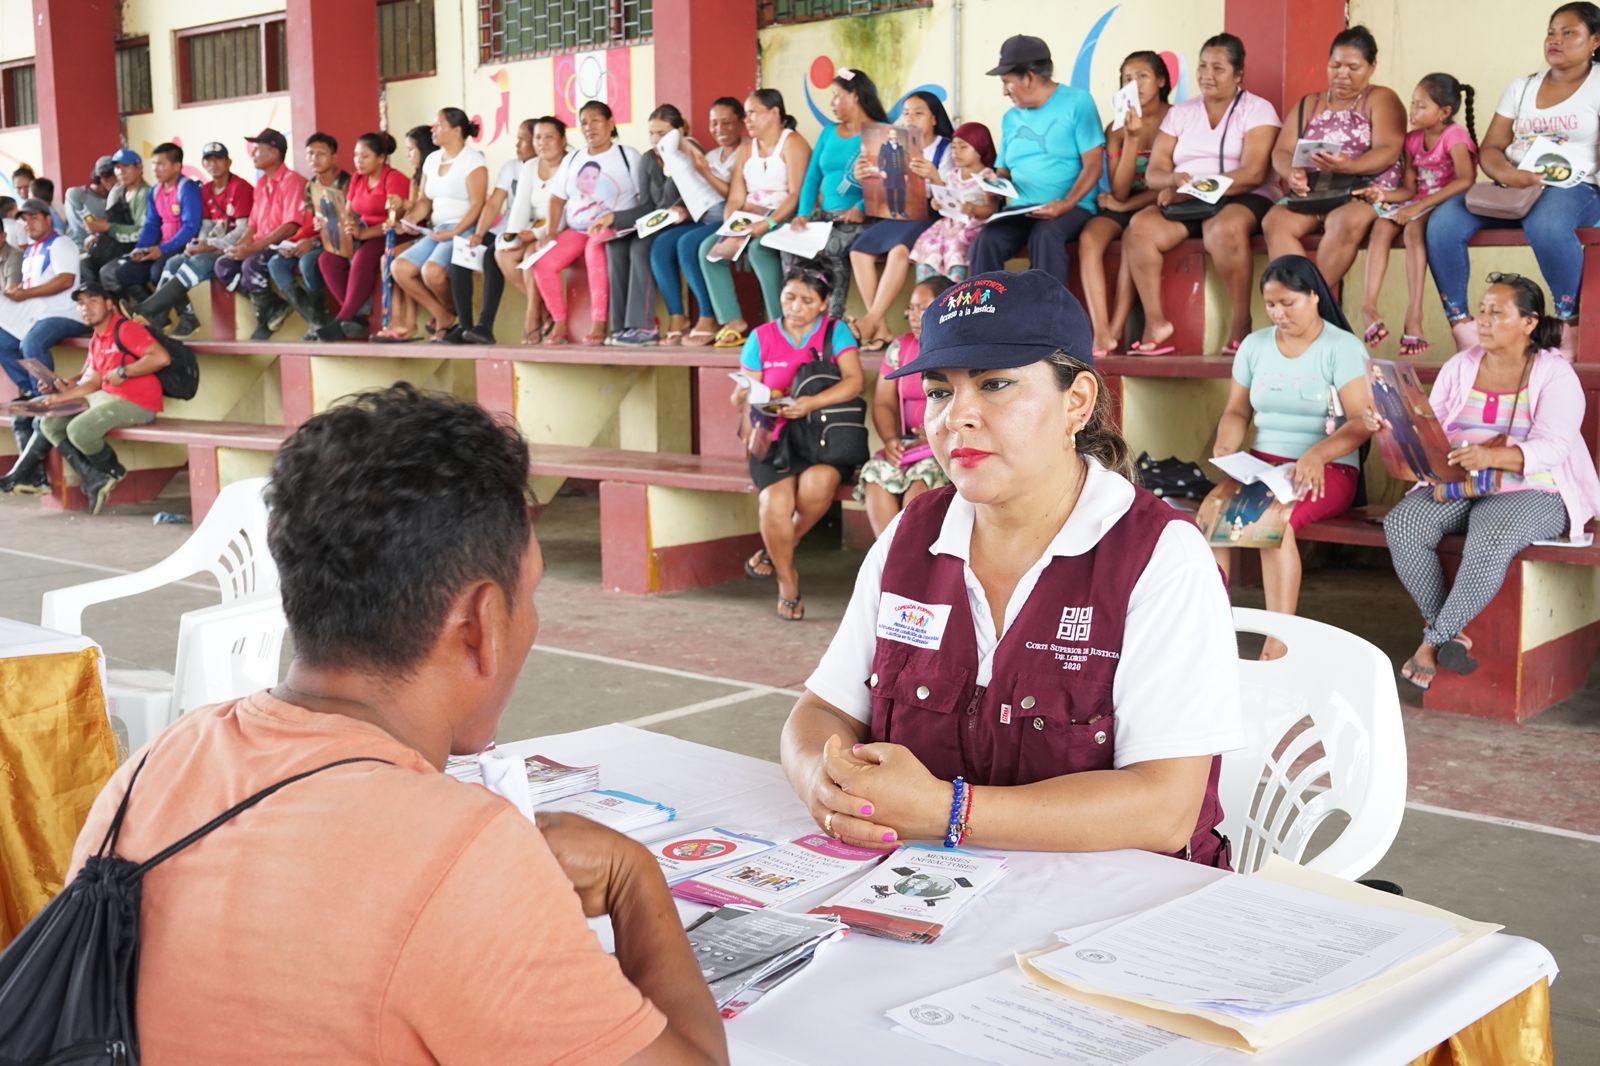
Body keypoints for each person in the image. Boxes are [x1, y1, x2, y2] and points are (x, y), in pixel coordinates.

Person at [61, 384, 730, 1066]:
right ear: (478, 624)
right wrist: (633, 880)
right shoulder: (462, 853)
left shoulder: (154, 765)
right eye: (530, 597)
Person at [779, 269, 1242, 862]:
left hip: (1115, 916)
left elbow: (1165, 810)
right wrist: (821, 782)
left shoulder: (1160, 558)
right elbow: (821, 711)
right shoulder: (912, 535)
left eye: (995, 385)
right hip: (938, 893)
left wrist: (950, 812)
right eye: (940, 390)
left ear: (1077, 401)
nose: (955, 417)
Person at [1374, 274, 1600, 690]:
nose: (1483, 320)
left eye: (1498, 312)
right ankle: (1449, 632)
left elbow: (1553, 448)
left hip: (1535, 487)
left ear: (1529, 323)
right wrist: (1395, 426)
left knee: (1491, 533)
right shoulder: (1461, 365)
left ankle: (1431, 642)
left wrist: (1493, 456)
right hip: (1460, 480)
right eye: (1482, 310)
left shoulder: (1555, 375)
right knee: (1404, 524)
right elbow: (1434, 428)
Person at [1211, 256, 1376, 659]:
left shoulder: (1342, 347)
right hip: (1263, 463)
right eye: (1270, 305)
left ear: (1315, 297)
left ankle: (1279, 639)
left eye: (1288, 303)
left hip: (1327, 466)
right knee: (1213, 513)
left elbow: (1361, 422)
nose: (1278, 314)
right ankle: (1212, 628)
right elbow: (1237, 410)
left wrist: (1318, 454)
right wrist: (1226, 445)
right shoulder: (1254, 345)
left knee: (1275, 523)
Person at [1427, 3, 1600, 359]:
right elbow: (1491, 147)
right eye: (1552, 32)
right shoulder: (1522, 87)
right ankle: (1463, 326)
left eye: (1570, 33)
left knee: (1548, 224)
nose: (1556, 40)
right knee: (1443, 222)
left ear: (1595, 41)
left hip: (1576, 188)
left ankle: (1568, 325)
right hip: (1515, 187)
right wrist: (1511, 175)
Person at [1126, 33, 1281, 355]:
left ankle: (1241, 323)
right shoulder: (1181, 112)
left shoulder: (1257, 110)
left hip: (1242, 195)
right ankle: (1156, 323)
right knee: (1140, 228)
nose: (1207, 75)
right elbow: (1154, 171)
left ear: (1238, 75)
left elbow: (1253, 173)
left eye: (1218, 68)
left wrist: (1191, 190)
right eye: (1202, 66)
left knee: (1222, 229)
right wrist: (1171, 180)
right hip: (1187, 199)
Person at [733, 268, 863, 620]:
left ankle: (773, 550)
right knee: (774, 502)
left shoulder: (836, 333)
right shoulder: (761, 337)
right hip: (774, 438)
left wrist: (808, 404)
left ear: (823, 304)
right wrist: (741, 398)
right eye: (789, 298)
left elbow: (854, 382)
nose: (796, 307)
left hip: (824, 437)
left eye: (807, 300)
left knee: (817, 485)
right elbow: (747, 394)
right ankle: (787, 580)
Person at [1261, 27, 1406, 295]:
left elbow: (1388, 149)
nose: (1342, 74)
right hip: (1314, 191)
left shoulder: (1381, 99)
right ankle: (1303, 302)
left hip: (1362, 191)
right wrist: (1292, 172)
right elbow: (1281, 151)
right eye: (1335, 65)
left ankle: (1309, 301)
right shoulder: (1309, 104)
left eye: (1353, 67)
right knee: (1275, 222)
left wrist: (1349, 166)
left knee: (1343, 221)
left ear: (1372, 66)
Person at [1355, 75, 1479, 357]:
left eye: (1421, 106)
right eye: (1412, 104)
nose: (1412, 112)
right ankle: (1368, 305)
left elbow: (1465, 180)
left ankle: (1415, 315)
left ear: (1444, 112)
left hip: (1446, 202)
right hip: (1418, 202)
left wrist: (1417, 209)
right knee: (1381, 227)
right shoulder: (1412, 140)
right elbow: (1409, 188)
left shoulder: (1454, 136)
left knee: (1412, 231)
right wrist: (1382, 195)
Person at [969, 36, 1106, 287]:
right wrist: (993, 182)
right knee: (987, 240)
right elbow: (1003, 171)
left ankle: (1047, 322)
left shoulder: (1078, 103)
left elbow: (1094, 164)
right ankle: (982, 320)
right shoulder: (1010, 118)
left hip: (1073, 207)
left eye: (1007, 83)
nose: (1003, 91)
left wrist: (1065, 204)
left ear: (1029, 77)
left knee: (1046, 235)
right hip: (1022, 210)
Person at [23, 284, 170, 514]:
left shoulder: (126, 329)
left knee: (79, 430)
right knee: (50, 423)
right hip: (105, 397)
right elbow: (90, 381)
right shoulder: (97, 339)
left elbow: (161, 357)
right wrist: (60, 389)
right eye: (81, 303)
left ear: (109, 304)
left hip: (137, 402)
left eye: (93, 301)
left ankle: (112, 470)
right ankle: (93, 476)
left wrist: (124, 372)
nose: (86, 308)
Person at [696, 89, 811, 349]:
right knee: (709, 251)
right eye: (746, 114)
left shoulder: (792, 143)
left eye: (752, 113)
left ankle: (778, 323)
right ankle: (732, 322)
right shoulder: (747, 150)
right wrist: (731, 228)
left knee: (761, 249)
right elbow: (736, 198)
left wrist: (767, 224)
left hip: (783, 217)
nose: (747, 120)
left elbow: (796, 194)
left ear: (774, 113)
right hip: (749, 217)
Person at [1079, 50, 1173, 356]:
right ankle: (1101, 331)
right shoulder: (1116, 128)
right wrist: (1132, 139)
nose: (1135, 85)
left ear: (1160, 80)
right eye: (1127, 79)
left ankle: (1117, 330)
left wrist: (1125, 207)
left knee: (1135, 234)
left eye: (1143, 76)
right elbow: (1120, 192)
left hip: (1160, 205)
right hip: (1124, 204)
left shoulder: (1176, 119)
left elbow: (1169, 184)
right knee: (1090, 238)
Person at [849, 90, 955, 352]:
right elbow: (877, 180)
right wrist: (862, 174)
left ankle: (870, 321)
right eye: (906, 113)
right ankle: (881, 326)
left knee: (899, 252)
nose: (911, 119)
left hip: (930, 214)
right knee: (858, 251)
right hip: (898, 212)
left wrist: (932, 175)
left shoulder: (947, 147)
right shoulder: (889, 141)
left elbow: (953, 193)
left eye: (919, 113)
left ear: (933, 118)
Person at [0, 201, 89, 496]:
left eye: (34, 218)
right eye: (24, 219)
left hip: (65, 314)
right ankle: (31, 388)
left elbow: (65, 280)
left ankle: (48, 394)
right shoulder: (31, 251)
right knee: (4, 341)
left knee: (32, 343)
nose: (29, 223)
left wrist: (25, 293)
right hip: (37, 314)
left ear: (47, 218)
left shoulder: (60, 243)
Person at [786, 68, 890, 320]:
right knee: (790, 245)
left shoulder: (882, 132)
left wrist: (861, 208)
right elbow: (812, 178)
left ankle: (833, 318)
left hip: (864, 218)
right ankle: (798, 311)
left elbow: (889, 183)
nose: (832, 103)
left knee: (832, 248)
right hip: (826, 217)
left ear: (855, 96)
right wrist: (802, 214)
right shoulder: (828, 133)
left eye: (836, 95)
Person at [535, 100, 639, 345]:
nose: (589, 127)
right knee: (543, 263)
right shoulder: (573, 159)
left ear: (610, 123)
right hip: (577, 228)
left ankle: (599, 323)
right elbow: (557, 198)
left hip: (614, 227)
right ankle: (560, 322)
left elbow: (644, 199)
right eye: (584, 122)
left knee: (595, 249)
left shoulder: (627, 156)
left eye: (596, 120)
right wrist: (551, 231)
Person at [856, 275, 953, 536]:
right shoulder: (901, 347)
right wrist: (890, 441)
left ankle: (911, 559)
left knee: (920, 485)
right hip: (909, 446)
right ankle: (887, 559)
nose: (914, 315)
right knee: (875, 476)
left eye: (923, 308)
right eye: (912, 307)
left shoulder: (957, 349)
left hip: (945, 445)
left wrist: (935, 434)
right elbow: (883, 403)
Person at [135, 142, 255, 338]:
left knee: (197, 263)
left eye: (218, 159)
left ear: (229, 162)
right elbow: (206, 226)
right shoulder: (206, 190)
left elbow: (243, 229)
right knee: (174, 262)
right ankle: (175, 318)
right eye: (208, 160)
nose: (213, 164)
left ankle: (149, 310)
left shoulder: (240, 187)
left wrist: (211, 246)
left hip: (233, 250)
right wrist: (198, 245)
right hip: (211, 248)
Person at [393, 108, 489, 342]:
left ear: (456, 130)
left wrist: (455, 232)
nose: (433, 129)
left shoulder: (473, 161)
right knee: (400, 268)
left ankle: (454, 314)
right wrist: (411, 220)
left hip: (463, 227)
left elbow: (478, 205)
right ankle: (443, 315)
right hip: (437, 229)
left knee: (432, 273)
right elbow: (425, 200)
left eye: (439, 124)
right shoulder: (432, 160)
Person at [656, 97, 745, 345]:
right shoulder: (714, 155)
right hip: (707, 217)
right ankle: (678, 315)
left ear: (741, 123)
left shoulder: (746, 151)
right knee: (661, 245)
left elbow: (732, 195)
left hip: (733, 218)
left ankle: (708, 315)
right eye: (714, 124)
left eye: (727, 123)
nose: (719, 130)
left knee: (688, 243)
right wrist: (681, 208)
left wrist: (704, 170)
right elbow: (700, 191)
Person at [605, 104, 695, 346]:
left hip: (685, 223)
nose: (656, 139)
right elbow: (646, 206)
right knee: (615, 245)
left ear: (679, 132)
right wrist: (613, 218)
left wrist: (685, 209)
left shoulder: (690, 155)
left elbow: (702, 196)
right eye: (652, 133)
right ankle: (621, 326)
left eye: (662, 133)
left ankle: (644, 326)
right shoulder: (648, 159)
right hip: (656, 222)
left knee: (640, 246)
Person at [214, 128, 310, 341]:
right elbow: (253, 225)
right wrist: (239, 246)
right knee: (223, 265)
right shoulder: (260, 184)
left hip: (283, 245)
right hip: (261, 245)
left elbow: (291, 225)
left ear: (274, 153)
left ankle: (263, 320)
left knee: (252, 264)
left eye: (257, 149)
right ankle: (275, 306)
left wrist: (254, 248)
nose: (253, 154)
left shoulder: (292, 181)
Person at [316, 132, 411, 342]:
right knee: (326, 259)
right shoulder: (357, 179)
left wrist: (363, 233)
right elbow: (348, 213)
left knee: (362, 258)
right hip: (365, 233)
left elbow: (396, 220)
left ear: (380, 158)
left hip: (392, 234)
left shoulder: (394, 178)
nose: (359, 161)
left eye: (365, 156)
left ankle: (343, 318)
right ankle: (357, 318)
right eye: (356, 155)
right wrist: (328, 223)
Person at [496, 116, 572, 344]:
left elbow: (568, 210)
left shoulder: (572, 163)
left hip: (563, 225)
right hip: (536, 225)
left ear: (563, 140)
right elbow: (519, 207)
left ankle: (532, 318)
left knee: (531, 257)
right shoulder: (530, 166)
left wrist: (538, 234)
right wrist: (513, 237)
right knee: (503, 255)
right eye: (538, 137)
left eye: (550, 137)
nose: (543, 143)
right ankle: (544, 309)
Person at [272, 132, 351, 339]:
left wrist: (312, 241)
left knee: (308, 262)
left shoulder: (346, 183)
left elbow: (347, 226)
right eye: (310, 154)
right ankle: (317, 322)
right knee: (276, 263)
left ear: (334, 157)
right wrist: (294, 242)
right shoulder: (311, 185)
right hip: (317, 240)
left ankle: (321, 320)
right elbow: (309, 223)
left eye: (321, 154)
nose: (314, 159)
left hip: (341, 241)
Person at [102, 142, 202, 302]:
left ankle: (186, 316)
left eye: (161, 164)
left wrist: (162, 249)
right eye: (154, 164)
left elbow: (191, 227)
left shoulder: (187, 188)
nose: (155, 169)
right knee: (124, 271)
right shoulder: (155, 192)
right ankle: (154, 318)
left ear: (177, 166)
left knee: (157, 272)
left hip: (184, 245)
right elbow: (152, 226)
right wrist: (140, 249)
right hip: (163, 246)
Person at [446, 132, 519, 346]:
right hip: (505, 228)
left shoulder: (545, 166)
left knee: (490, 256)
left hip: (527, 229)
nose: (518, 143)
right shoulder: (511, 167)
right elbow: (494, 203)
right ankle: (465, 326)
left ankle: (485, 326)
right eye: (520, 137)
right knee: (462, 252)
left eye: (523, 138)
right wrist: (478, 233)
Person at [908, 122, 998, 286]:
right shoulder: (952, 175)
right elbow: (946, 198)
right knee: (929, 243)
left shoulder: (988, 177)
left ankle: (955, 291)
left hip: (971, 227)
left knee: (956, 246)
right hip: (949, 225)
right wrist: (938, 203)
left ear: (980, 148)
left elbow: (991, 209)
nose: (956, 152)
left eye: (963, 147)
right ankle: (928, 290)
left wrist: (973, 209)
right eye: (954, 147)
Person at [372, 126, 436, 343]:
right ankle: (397, 320)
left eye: (411, 150)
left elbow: (424, 207)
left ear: (424, 149)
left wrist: (405, 205)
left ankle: (409, 323)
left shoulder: (434, 173)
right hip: (420, 235)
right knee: (387, 259)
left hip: (435, 234)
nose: (408, 155)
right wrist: (394, 223)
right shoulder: (415, 178)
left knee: (399, 261)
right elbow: (412, 214)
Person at [82, 148, 150, 285]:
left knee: (108, 273)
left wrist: (107, 227)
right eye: (117, 168)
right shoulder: (118, 190)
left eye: (126, 166)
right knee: (82, 266)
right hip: (116, 247)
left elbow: (141, 233)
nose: (121, 172)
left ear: (139, 168)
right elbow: (113, 220)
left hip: (139, 249)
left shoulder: (145, 194)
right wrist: (96, 232)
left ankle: (141, 305)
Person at [64, 156, 116, 249]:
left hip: (105, 250)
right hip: (78, 250)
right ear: (103, 177)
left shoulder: (118, 198)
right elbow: (88, 222)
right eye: (115, 177)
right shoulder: (78, 194)